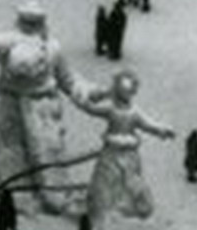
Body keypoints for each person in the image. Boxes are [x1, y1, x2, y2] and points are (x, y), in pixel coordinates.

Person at [0, 0, 89, 215]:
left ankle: (48, 191)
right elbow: (68, 81)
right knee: (12, 150)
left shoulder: (39, 46)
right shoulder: (24, 44)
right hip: (19, 105)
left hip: (35, 108)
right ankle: (20, 191)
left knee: (37, 150)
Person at [69, 69, 174, 230]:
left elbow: (148, 124)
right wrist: (91, 96)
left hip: (130, 157)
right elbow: (91, 108)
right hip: (111, 155)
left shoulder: (134, 112)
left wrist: (161, 130)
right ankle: (100, 216)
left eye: (131, 92)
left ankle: (125, 213)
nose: (128, 96)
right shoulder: (110, 108)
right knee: (103, 186)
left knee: (130, 185)